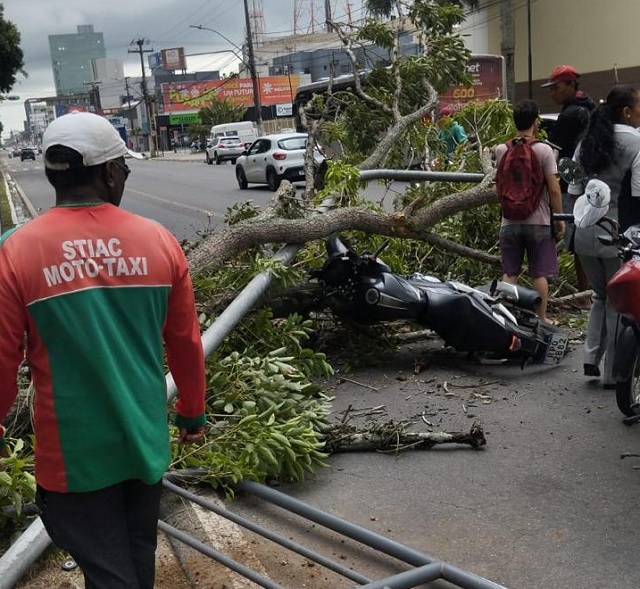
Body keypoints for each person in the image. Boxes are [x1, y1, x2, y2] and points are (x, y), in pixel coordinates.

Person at [0, 111, 207, 589]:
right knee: (136, 564)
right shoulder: (159, 241)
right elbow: (186, 343)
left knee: (113, 575)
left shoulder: (15, 251)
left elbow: (2, 363)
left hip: (75, 460)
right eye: (124, 169)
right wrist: (191, 415)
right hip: (144, 447)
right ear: (109, 172)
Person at [569, 84, 640, 389]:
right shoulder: (636, 142)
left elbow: (573, 188)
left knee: (599, 296)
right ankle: (613, 373)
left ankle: (590, 358)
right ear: (627, 110)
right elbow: (638, 196)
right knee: (617, 304)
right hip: (616, 234)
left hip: (583, 231)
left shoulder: (587, 139)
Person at [495, 99, 564, 324]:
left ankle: (506, 320)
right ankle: (542, 318)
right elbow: (554, 190)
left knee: (510, 273)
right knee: (538, 273)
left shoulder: (501, 149)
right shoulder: (544, 150)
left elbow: (501, 186)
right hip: (539, 221)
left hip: (509, 221)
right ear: (536, 122)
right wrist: (559, 218)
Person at [541, 65, 596, 300]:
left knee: (576, 239)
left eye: (557, 87)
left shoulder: (571, 114)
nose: (552, 93)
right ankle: (593, 292)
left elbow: (556, 151)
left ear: (572, 86)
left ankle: (583, 296)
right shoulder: (591, 108)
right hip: (594, 183)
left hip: (573, 183)